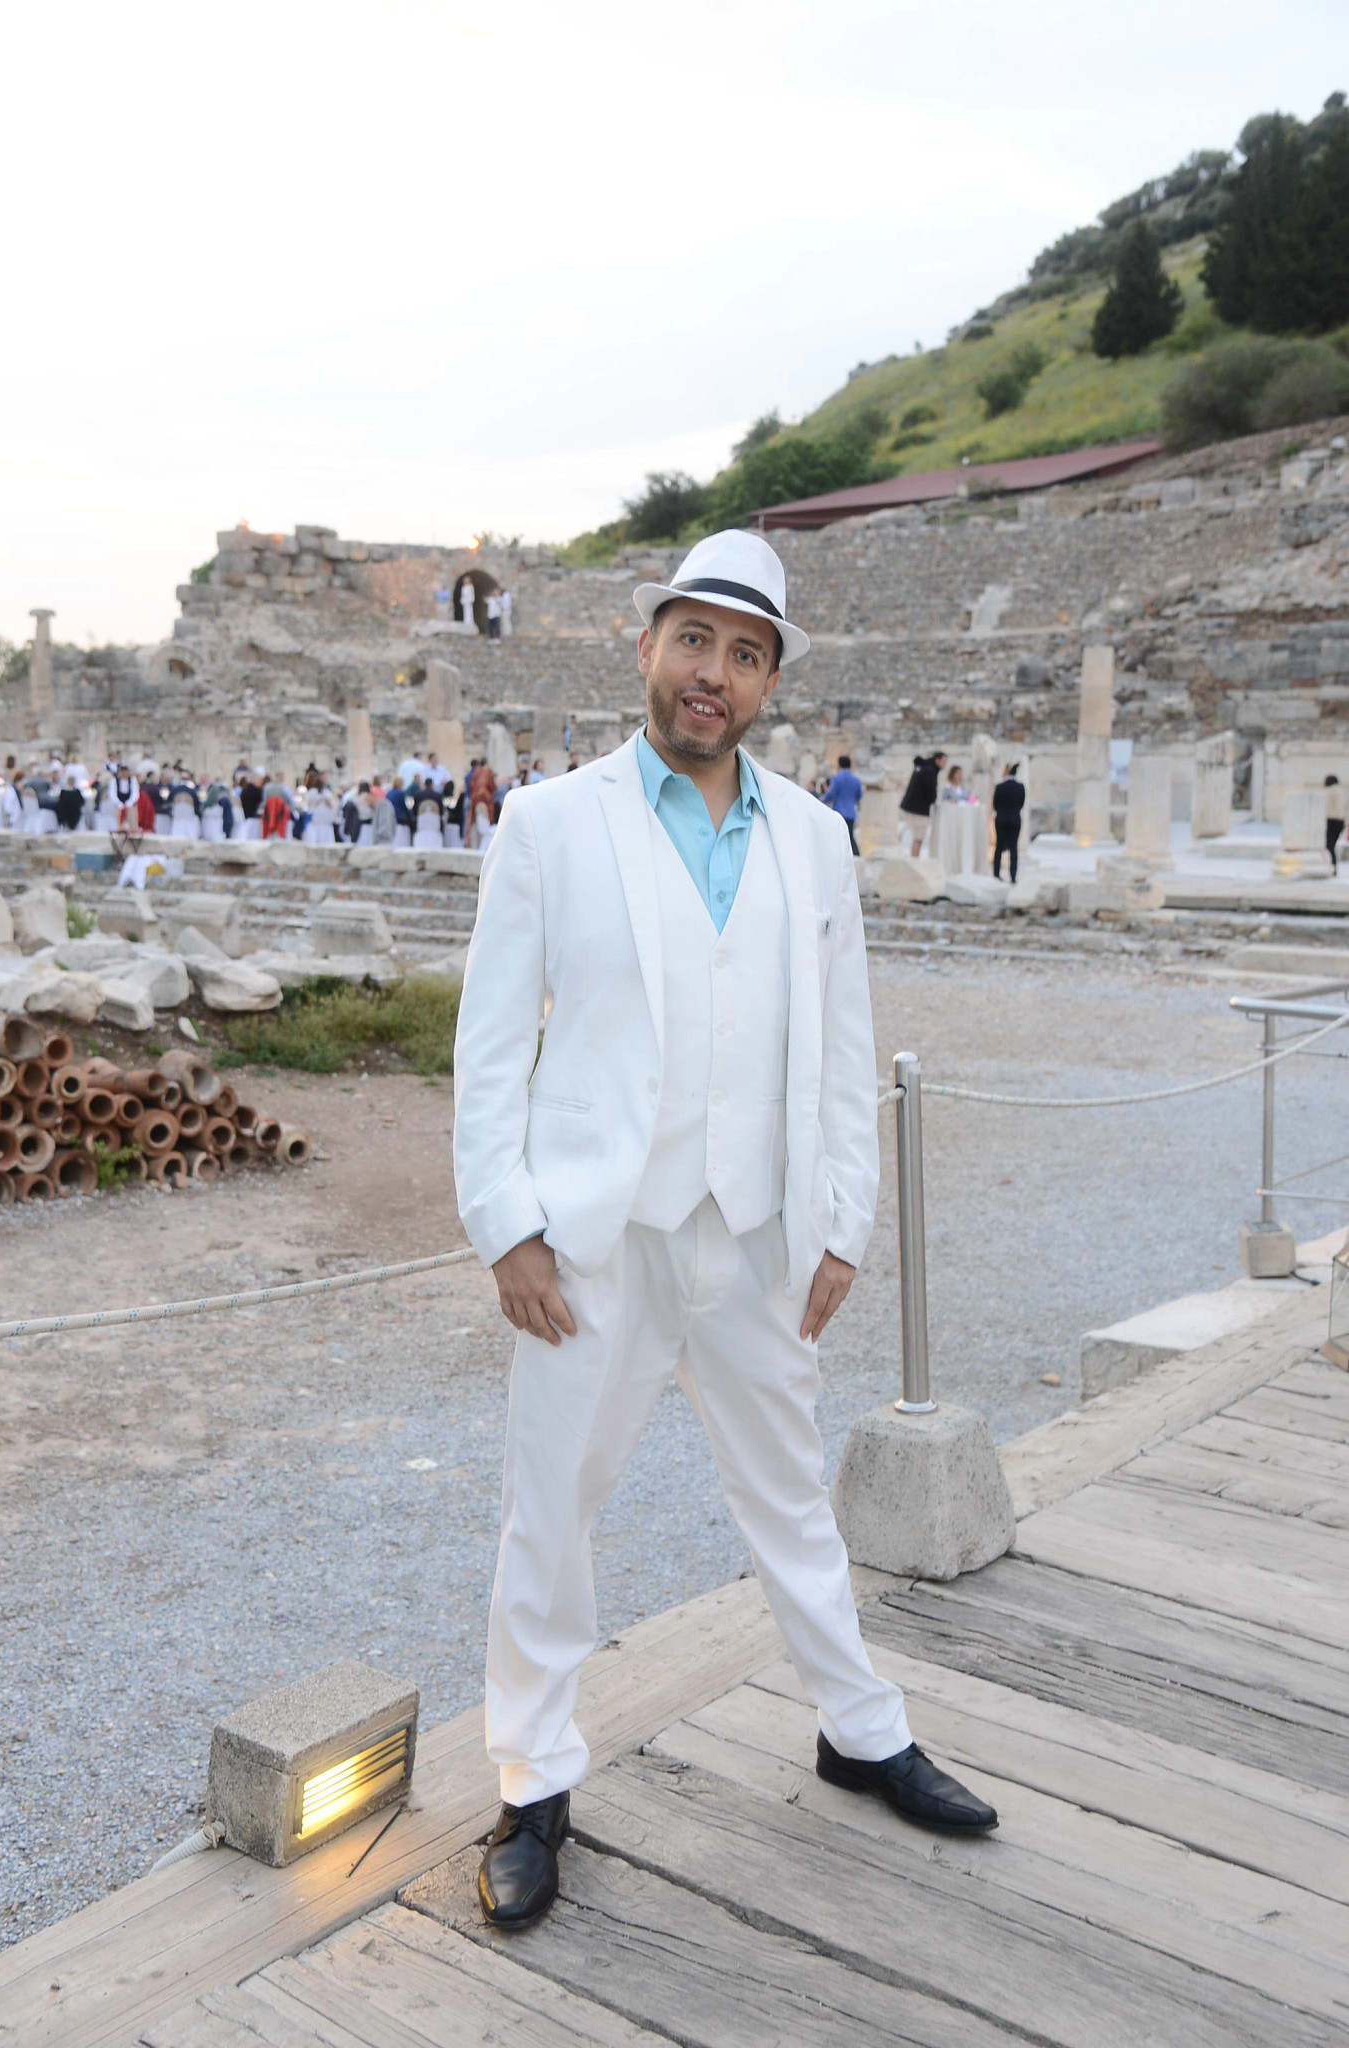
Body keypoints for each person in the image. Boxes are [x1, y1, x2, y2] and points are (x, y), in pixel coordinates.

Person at [454, 528, 997, 1935]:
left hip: (756, 1229)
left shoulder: (812, 838)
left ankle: (858, 1728)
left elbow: (841, 1045)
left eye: (743, 653)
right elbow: (490, 1042)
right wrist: (506, 1224)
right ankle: (532, 1775)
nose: (713, 672)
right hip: (594, 1236)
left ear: (767, 682)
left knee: (789, 1493)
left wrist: (840, 1223)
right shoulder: (550, 823)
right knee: (551, 1505)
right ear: (646, 646)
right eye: (692, 639)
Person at [899, 750, 945, 857]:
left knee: (917, 837)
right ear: (937, 760)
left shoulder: (924, 767)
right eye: (944, 761)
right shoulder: (930, 771)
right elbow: (930, 792)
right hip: (919, 810)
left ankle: (914, 859)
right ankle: (915, 860)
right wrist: (933, 799)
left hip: (913, 807)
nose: (945, 764)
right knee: (918, 838)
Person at [822, 754, 864, 855]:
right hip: (851, 813)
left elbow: (831, 794)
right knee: (850, 836)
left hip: (839, 811)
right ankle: (856, 855)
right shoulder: (856, 780)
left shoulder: (837, 778)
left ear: (839, 765)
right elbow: (859, 796)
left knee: (838, 837)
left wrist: (821, 800)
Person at [993, 762, 1026, 883]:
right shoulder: (1020, 787)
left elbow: (995, 804)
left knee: (999, 846)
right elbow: (1021, 804)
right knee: (1013, 848)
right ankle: (1013, 875)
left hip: (1001, 820)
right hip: (1015, 820)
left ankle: (996, 873)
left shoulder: (1000, 787)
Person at [1326, 775, 1345, 868]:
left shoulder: (1329, 791)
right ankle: (1333, 865)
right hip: (1340, 821)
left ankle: (1332, 865)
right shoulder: (1342, 792)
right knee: (1332, 845)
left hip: (1331, 820)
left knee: (1329, 846)